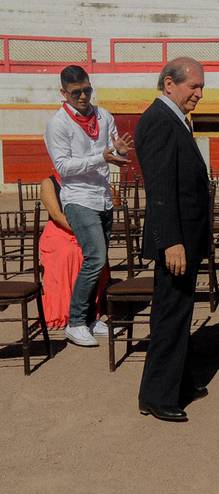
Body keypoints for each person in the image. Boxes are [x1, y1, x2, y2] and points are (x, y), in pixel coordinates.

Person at [137, 57, 211, 422]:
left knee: (179, 312)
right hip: (176, 240)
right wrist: (171, 241)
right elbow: (161, 189)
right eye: (192, 86)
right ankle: (157, 394)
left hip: (184, 235)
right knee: (169, 314)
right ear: (169, 84)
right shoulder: (159, 121)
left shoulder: (171, 118)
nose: (198, 94)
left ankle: (178, 381)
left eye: (201, 87)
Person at [43, 65, 132, 347]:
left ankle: (92, 318)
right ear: (63, 93)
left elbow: (111, 150)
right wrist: (101, 157)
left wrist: (118, 151)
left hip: (102, 196)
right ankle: (76, 321)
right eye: (76, 92)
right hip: (78, 198)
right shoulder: (58, 124)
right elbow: (62, 167)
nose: (83, 96)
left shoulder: (103, 115)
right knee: (94, 257)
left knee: (100, 260)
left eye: (87, 90)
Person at [37, 174, 109, 328]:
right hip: (59, 231)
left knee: (96, 253)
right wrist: (82, 230)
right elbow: (56, 215)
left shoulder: (86, 180)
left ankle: (89, 310)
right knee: (69, 253)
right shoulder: (48, 183)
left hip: (86, 229)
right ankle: (66, 312)